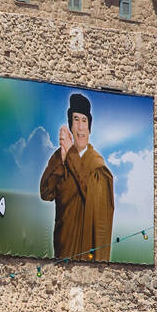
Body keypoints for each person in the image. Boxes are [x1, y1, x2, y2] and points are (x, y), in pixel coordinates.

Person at [39, 93, 115, 261]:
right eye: (76, 119)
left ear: (89, 127)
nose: (80, 127)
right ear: (70, 125)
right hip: (63, 246)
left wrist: (70, 156)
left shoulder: (97, 166)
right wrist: (62, 157)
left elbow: (97, 203)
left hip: (86, 250)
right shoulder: (60, 157)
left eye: (84, 121)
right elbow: (45, 192)